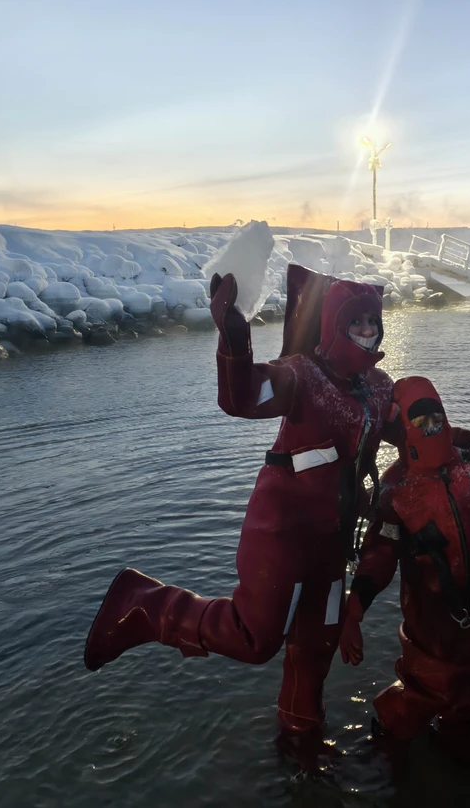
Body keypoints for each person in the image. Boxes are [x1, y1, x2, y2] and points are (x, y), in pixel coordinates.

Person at [83, 264, 395, 758]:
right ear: (334, 325)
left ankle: (300, 738)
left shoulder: (379, 388)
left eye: (372, 325)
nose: (365, 332)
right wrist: (234, 335)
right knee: (256, 638)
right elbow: (242, 396)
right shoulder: (300, 374)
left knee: (318, 647)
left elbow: (418, 436)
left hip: (333, 545)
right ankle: (146, 603)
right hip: (284, 535)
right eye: (355, 323)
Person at [337, 376, 470, 758]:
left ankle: (461, 758)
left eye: (436, 417)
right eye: (418, 422)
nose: (430, 428)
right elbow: (380, 555)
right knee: (423, 693)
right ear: (402, 429)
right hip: (432, 622)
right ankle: (389, 742)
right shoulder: (396, 491)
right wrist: (354, 612)